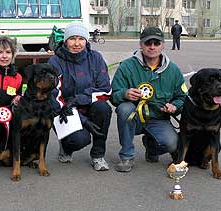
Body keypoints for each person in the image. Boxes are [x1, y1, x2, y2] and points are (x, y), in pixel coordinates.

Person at [110, 26, 187, 172]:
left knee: (172, 144)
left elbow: (183, 97)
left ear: (163, 45)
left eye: (156, 43)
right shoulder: (126, 66)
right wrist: (124, 94)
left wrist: (175, 107)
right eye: (148, 43)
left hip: (159, 118)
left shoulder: (174, 70)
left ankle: (151, 145)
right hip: (135, 117)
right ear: (141, 44)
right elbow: (113, 95)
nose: (152, 47)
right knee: (125, 109)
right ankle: (127, 156)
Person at [48, 21, 112, 171]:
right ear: (65, 40)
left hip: (88, 105)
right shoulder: (55, 61)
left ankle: (98, 155)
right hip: (64, 110)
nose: (77, 43)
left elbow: (105, 90)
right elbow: (54, 98)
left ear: (86, 40)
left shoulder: (96, 58)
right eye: (72, 38)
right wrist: (82, 120)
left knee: (103, 108)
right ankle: (66, 147)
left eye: (81, 39)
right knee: (80, 139)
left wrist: (78, 99)